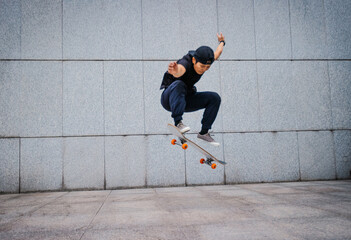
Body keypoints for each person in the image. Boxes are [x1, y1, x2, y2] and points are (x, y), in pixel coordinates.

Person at [160, 33, 225, 146]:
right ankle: (178, 123)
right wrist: (175, 70)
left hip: (185, 99)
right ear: (194, 60)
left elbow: (217, 53)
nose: (204, 69)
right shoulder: (185, 63)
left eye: (207, 67)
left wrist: (222, 42)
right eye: (202, 66)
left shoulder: (206, 60)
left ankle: (204, 133)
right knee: (179, 84)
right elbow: (180, 70)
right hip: (169, 99)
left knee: (214, 98)